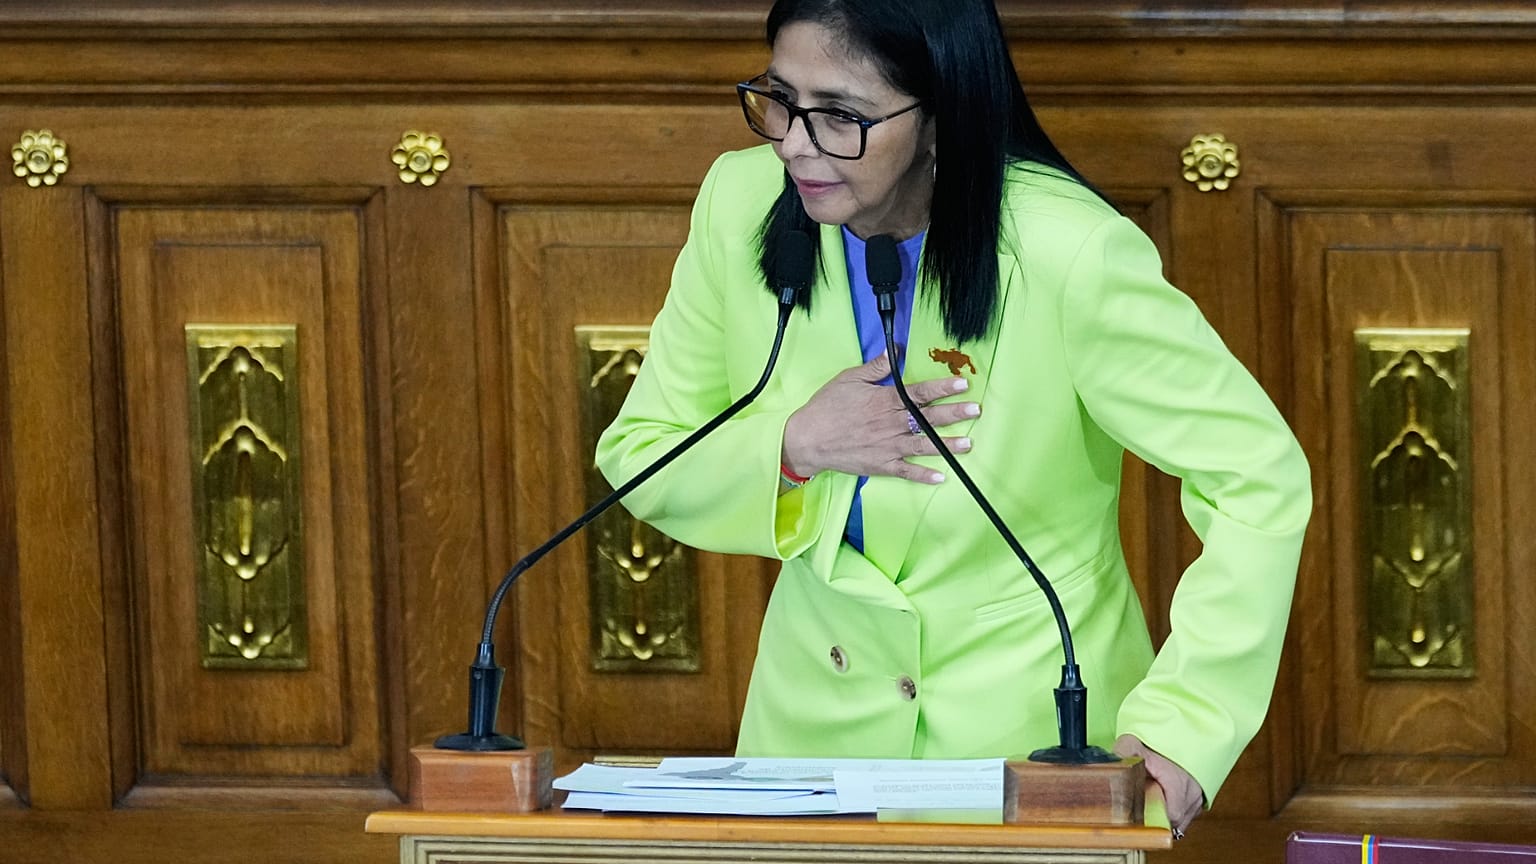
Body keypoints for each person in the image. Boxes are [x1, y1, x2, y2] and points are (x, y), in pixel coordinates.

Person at [595, 0, 1310, 837]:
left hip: (1036, 749)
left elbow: (1258, 475)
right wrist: (793, 445)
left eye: (839, 116)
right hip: (807, 751)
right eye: (779, 99)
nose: (794, 141)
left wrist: (1189, 725)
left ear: (939, 117)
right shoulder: (740, 202)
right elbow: (640, 454)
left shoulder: (1069, 251)